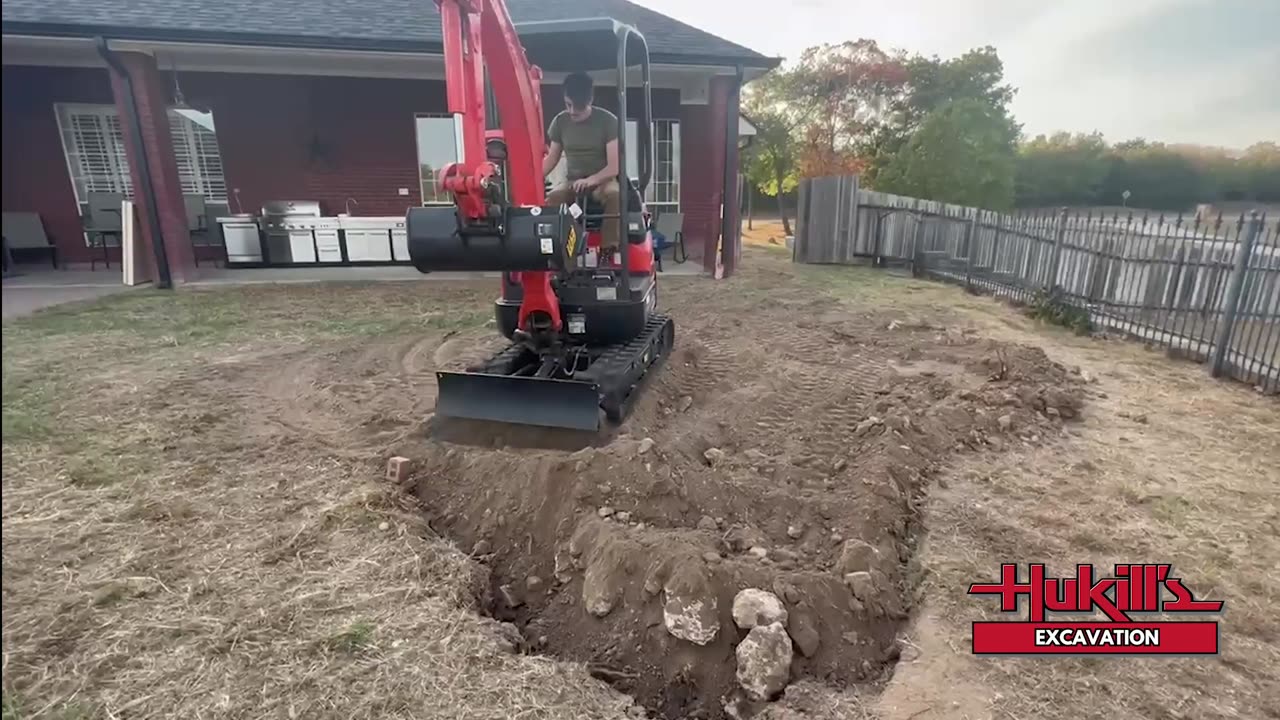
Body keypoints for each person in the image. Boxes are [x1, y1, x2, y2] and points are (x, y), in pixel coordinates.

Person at [543, 72, 622, 252]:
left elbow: (614, 166)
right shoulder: (560, 122)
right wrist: (530, 180)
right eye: (568, 104)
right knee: (554, 198)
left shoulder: (608, 122)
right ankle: (564, 249)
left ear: (590, 100)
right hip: (572, 182)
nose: (572, 111)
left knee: (615, 195)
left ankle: (608, 248)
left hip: (602, 181)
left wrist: (591, 180)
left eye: (577, 106)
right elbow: (551, 159)